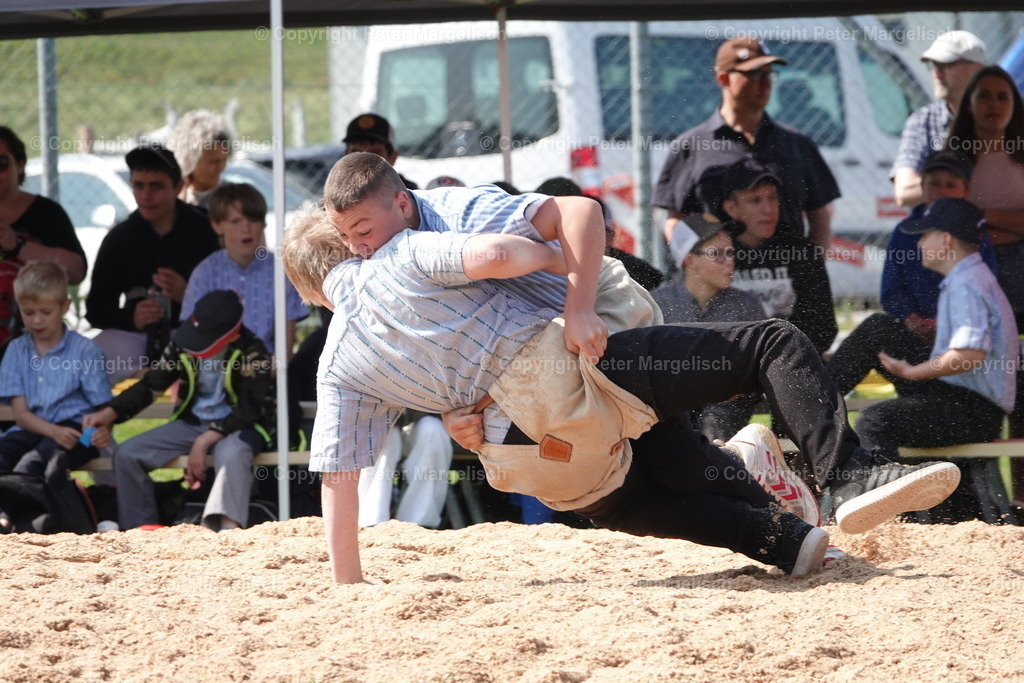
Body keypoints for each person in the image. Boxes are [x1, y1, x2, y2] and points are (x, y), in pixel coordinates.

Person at [286, 152, 959, 584]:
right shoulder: (396, 262)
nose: (362, 250)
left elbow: (339, 477)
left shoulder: (358, 331)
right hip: (567, 381)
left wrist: (348, 581)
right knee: (750, 368)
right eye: (351, 242)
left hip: (558, 400)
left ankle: (803, 526)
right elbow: (486, 271)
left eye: (363, 235)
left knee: (650, 477)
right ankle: (825, 496)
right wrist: (557, 284)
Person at [83, 290, 275, 531]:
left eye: (203, 338)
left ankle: (227, 529)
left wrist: (204, 441)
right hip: (192, 423)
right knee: (128, 454)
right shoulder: (184, 343)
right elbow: (152, 384)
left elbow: (250, 410)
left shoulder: (254, 352)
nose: (195, 344)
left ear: (231, 335)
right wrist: (109, 413)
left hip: (238, 428)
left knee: (233, 454)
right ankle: (141, 530)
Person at [852, 198, 1017, 477]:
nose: (919, 244)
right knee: (878, 328)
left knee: (874, 420)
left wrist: (913, 372)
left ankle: (886, 504)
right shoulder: (968, 278)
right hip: (963, 400)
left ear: (946, 241)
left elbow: (969, 355)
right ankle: (814, 404)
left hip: (972, 411)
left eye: (926, 235)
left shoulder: (968, 284)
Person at [653, 37, 839, 251]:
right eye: (754, 74)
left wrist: (812, 270)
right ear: (723, 78)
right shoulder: (691, 146)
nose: (765, 82)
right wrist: (696, 270)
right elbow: (676, 220)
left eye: (769, 74)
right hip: (719, 281)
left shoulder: (797, 144)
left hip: (787, 280)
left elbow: (820, 216)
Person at [944, 64, 1024, 501]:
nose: (994, 105)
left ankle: (1020, 501)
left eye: (1003, 96)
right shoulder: (953, 159)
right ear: (969, 104)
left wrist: (984, 218)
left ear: (1015, 105)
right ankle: (982, 498)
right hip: (970, 291)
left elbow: (968, 222)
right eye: (984, 96)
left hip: (1019, 286)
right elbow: (943, 222)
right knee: (980, 398)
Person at [85, 144, 219, 383]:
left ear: (178, 187)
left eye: (156, 186)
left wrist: (188, 295)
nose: (146, 195)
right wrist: (131, 318)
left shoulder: (206, 230)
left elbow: (232, 298)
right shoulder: (120, 238)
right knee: (87, 360)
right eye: (138, 185)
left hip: (195, 333)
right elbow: (96, 311)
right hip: (136, 338)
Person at [0, 261, 112, 531]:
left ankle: (24, 525)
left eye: (45, 312)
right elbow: (21, 415)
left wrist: (103, 428)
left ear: (64, 307)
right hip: (35, 426)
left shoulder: (85, 350)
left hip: (77, 431)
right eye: (28, 312)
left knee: (34, 464)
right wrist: (51, 431)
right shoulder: (17, 349)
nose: (36, 320)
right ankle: (8, 515)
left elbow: (103, 407)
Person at [652, 215, 765, 441]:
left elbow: (756, 365)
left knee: (716, 416)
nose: (729, 261)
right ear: (690, 260)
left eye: (730, 253)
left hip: (725, 401)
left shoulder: (745, 307)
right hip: (675, 401)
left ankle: (717, 470)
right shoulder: (658, 305)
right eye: (716, 254)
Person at [719, 159, 837, 357]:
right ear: (732, 209)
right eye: (756, 200)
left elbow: (823, 329)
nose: (768, 209)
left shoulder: (800, 252)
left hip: (789, 358)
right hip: (730, 360)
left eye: (772, 198)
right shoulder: (716, 255)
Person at [179, 183, 307, 356]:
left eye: (253, 220)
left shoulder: (280, 271)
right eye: (235, 221)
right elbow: (189, 338)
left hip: (265, 371)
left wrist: (270, 371)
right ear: (217, 226)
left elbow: (285, 348)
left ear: (263, 224)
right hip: (214, 369)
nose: (246, 229)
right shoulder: (205, 273)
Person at [0, 127, 88, 353]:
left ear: (19, 165)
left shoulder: (47, 213)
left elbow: (76, 271)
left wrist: (17, 245)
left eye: (1, 163)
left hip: (33, 333)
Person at [891, 31, 986, 208]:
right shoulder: (923, 121)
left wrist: (936, 183)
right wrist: (958, 184)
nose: (937, 74)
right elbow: (904, 192)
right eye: (934, 65)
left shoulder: (1006, 119)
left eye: (946, 65)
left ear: (977, 69)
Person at [169, 110, 232, 209]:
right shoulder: (168, 196)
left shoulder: (233, 198)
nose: (221, 168)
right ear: (190, 160)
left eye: (224, 160)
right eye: (214, 162)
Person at [343, 113, 418, 189]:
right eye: (356, 154)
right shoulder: (334, 192)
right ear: (345, 156)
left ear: (392, 157)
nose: (363, 161)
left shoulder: (408, 193)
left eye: (373, 155)